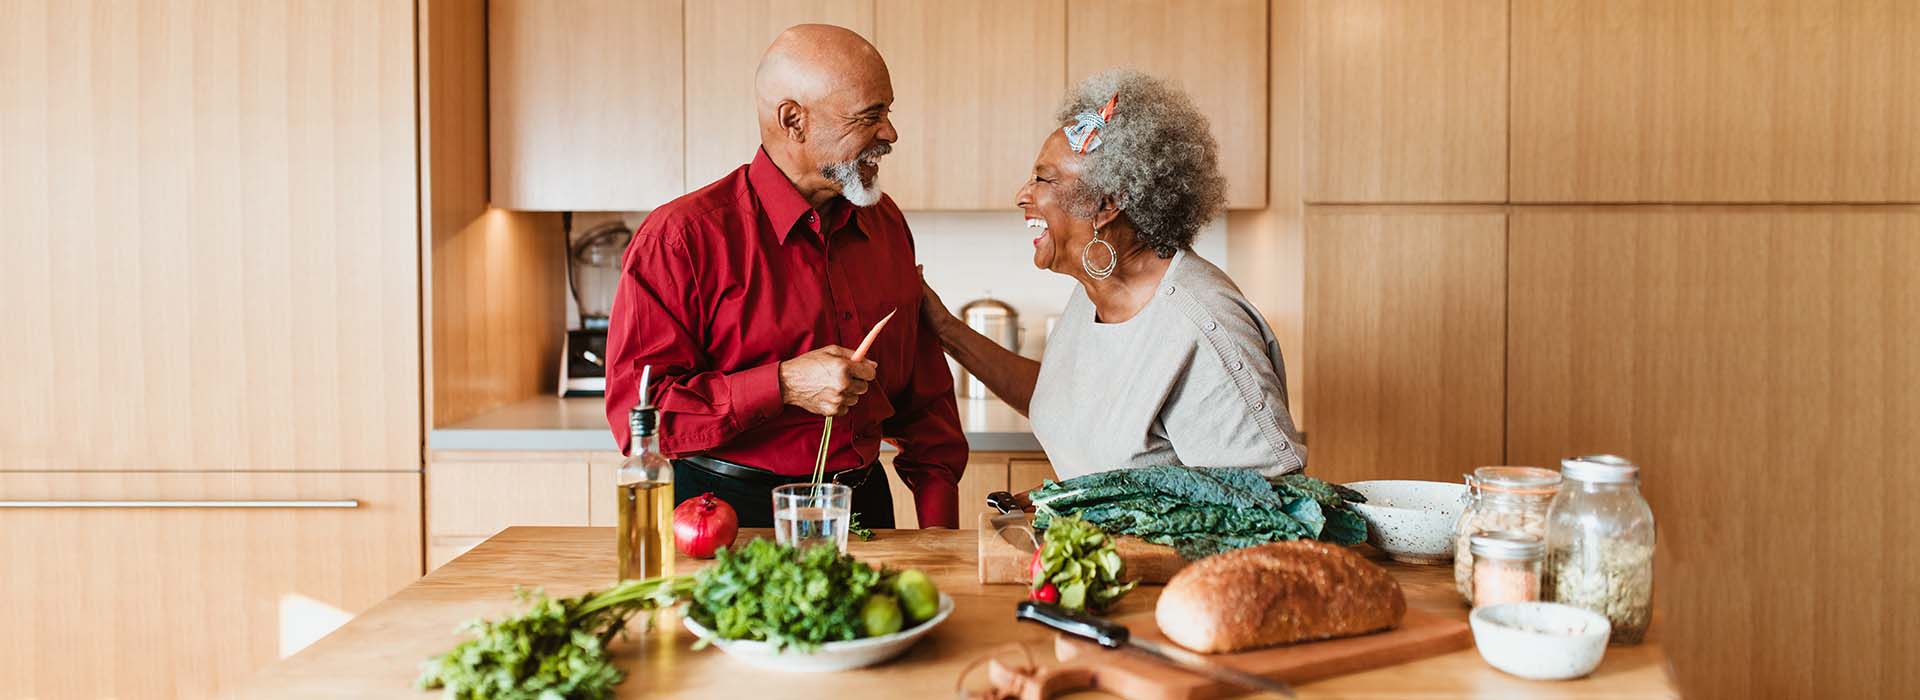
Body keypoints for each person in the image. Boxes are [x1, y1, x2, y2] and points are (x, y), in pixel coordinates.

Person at [605, 25, 967, 528]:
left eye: (887, 111)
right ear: (793, 120)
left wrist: (937, 528)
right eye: (870, 116)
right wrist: (783, 384)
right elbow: (637, 418)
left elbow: (923, 402)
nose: (890, 133)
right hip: (725, 519)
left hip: (864, 510)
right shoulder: (680, 239)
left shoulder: (886, 225)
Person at [921, 68, 1306, 481]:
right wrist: (944, 329)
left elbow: (1271, 507)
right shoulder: (1095, 291)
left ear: (1107, 205)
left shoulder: (1200, 328)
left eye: (1043, 179)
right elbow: (1059, 398)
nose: (1022, 195)